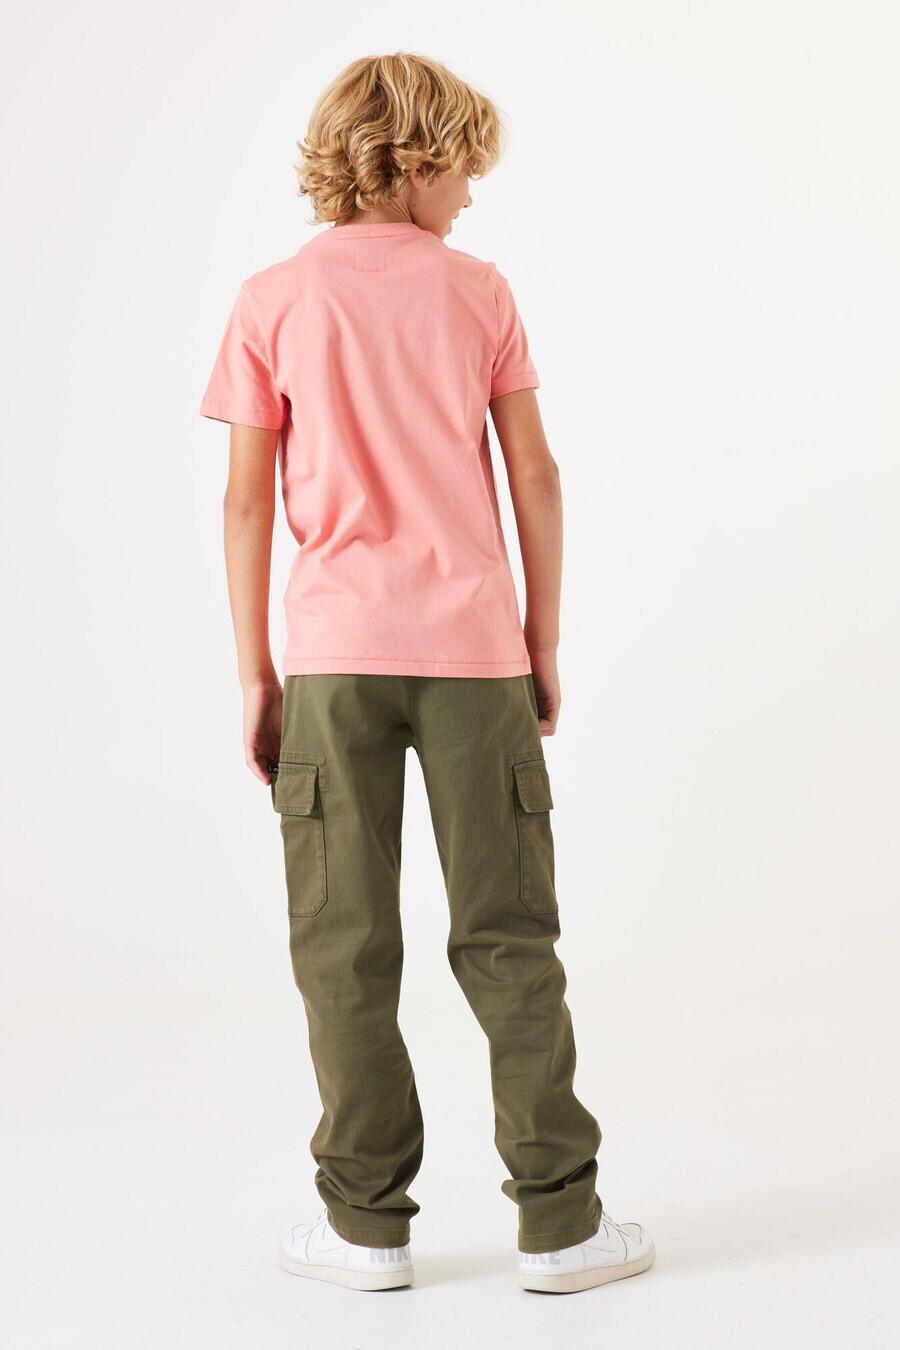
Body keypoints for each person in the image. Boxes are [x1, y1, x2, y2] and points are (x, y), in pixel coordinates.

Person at [199, 51, 654, 1295]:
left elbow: (246, 504)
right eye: (463, 168)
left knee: (342, 945)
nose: (471, 193)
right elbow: (536, 475)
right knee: (510, 938)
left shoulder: (272, 299)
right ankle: (560, 1228)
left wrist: (256, 674)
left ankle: (365, 1232)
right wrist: (540, 644)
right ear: (412, 161)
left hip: (331, 662)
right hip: (473, 658)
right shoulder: (479, 292)